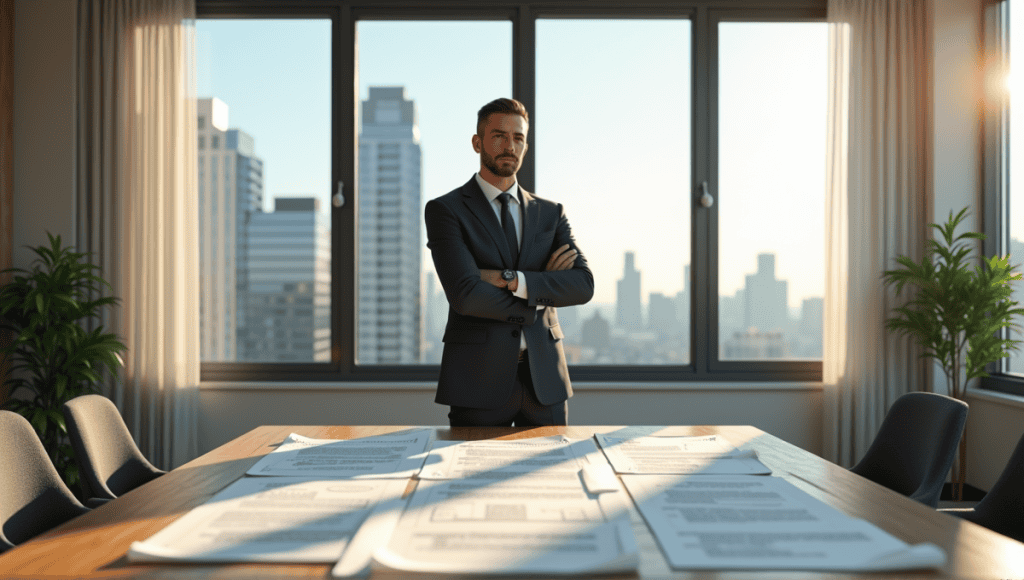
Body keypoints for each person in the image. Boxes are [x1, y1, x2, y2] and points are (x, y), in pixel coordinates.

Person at [424, 98, 594, 427]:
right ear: (478, 143)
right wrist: (542, 292)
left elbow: (583, 285)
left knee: (551, 477)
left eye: (518, 138)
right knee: (468, 476)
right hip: (478, 382)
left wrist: (512, 280)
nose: (510, 146)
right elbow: (466, 294)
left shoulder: (550, 213)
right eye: (499, 136)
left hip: (545, 382)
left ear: (525, 146)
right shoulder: (447, 210)